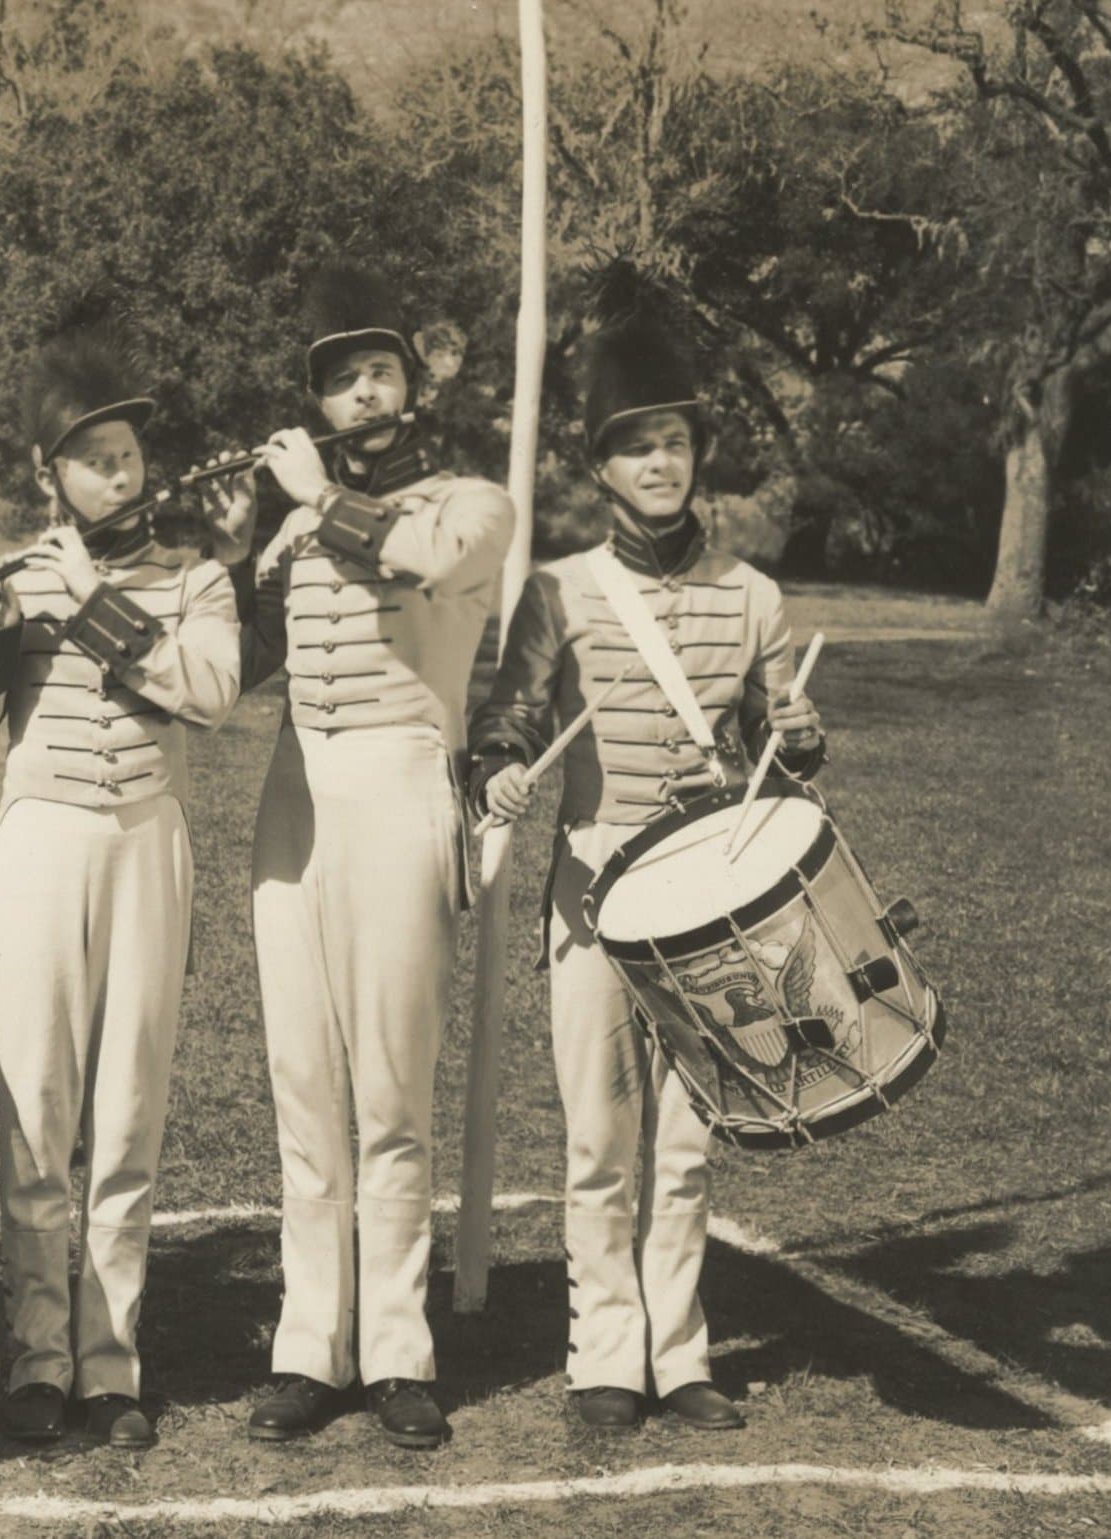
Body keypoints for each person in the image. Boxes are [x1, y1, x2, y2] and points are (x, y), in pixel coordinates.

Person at [466, 299, 821, 1433]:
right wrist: (502, 778)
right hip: (593, 884)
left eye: (672, 441)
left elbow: (785, 757)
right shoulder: (562, 592)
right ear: (601, 467)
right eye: (634, 445)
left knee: (687, 1138)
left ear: (695, 455)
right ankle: (605, 1356)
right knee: (600, 1135)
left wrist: (804, 737)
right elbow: (508, 723)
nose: (658, 462)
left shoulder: (754, 597)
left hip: (713, 889)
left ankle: (683, 1356)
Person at [0, 330, 240, 1449]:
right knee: (35, 1103)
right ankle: (38, 1360)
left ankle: (111, 1366)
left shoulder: (195, 574)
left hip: (148, 841)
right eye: (91, 456)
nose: (117, 473)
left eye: (126, 453)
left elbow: (209, 692)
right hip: (42, 837)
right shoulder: (13, 578)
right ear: (44, 470)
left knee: (127, 1113)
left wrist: (95, 603)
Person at [229, 266, 513, 1450]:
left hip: (403, 775)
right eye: (341, 380)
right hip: (296, 791)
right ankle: (312, 1343)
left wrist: (311, 501)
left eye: (379, 373)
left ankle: (397, 1348)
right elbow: (238, 665)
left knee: (393, 1086)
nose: (362, 393)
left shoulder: (472, 501)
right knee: (306, 1082)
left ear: (412, 387)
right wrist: (250, 527)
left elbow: (421, 565)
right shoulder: (290, 512)